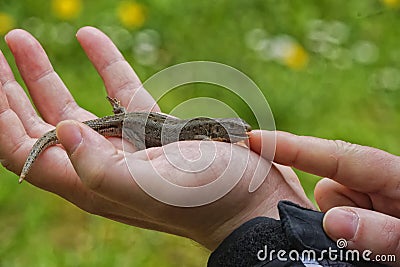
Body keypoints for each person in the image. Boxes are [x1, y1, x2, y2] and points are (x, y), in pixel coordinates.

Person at [0, 27, 398, 266]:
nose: (238, 134)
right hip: (124, 124)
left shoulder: (201, 133)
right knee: (106, 124)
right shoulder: (197, 132)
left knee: (115, 121)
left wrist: (254, 209)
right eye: (232, 131)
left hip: (128, 121)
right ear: (215, 132)